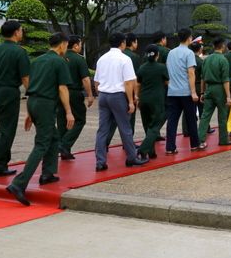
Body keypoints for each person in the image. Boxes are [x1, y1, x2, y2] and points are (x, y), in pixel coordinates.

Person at [5, 33, 74, 206]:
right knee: (42, 143)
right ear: (63, 44)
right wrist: (68, 112)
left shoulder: (37, 61)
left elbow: (31, 87)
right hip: (45, 104)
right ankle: (19, 184)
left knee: (54, 137)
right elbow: (62, 88)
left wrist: (29, 112)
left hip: (34, 102)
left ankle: (48, 173)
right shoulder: (59, 61)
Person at [0, 20, 30, 178]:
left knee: (3, 127)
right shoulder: (19, 52)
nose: (22, 32)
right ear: (16, 32)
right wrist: (33, 94)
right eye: (21, 30)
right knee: (8, 130)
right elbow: (25, 78)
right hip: (8, 92)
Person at [93, 33, 148, 171]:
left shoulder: (102, 59)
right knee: (125, 128)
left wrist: (101, 93)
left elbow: (96, 81)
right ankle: (131, 157)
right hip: (118, 96)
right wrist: (131, 101)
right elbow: (128, 82)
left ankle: (100, 161)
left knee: (102, 130)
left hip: (104, 95)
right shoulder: (125, 59)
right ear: (122, 43)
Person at [164, 29, 205, 155]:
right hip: (186, 92)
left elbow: (168, 70)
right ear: (189, 38)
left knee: (172, 120)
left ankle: (170, 147)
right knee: (191, 119)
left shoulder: (171, 52)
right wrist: (193, 92)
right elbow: (191, 73)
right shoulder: (189, 53)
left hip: (172, 91)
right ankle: (194, 144)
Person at [58, 35, 93, 160]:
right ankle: (63, 145)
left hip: (59, 92)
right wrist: (90, 95)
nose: (81, 47)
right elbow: (85, 79)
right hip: (73, 92)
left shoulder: (60, 57)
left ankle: (64, 150)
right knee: (79, 120)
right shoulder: (79, 59)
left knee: (62, 121)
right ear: (75, 46)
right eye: (80, 45)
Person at [196, 38, 231, 146]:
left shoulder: (206, 59)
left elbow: (202, 78)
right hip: (220, 89)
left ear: (213, 47)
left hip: (208, 88)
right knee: (222, 116)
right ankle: (223, 140)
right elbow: (225, 80)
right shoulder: (223, 60)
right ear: (223, 47)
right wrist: (228, 96)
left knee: (205, 115)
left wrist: (202, 92)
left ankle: (200, 140)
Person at [136, 44, 169, 159]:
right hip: (156, 99)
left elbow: (138, 84)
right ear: (157, 55)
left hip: (143, 99)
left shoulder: (142, 68)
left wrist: (137, 97)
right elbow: (167, 83)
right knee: (155, 126)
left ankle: (151, 152)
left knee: (147, 126)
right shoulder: (161, 68)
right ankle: (143, 149)